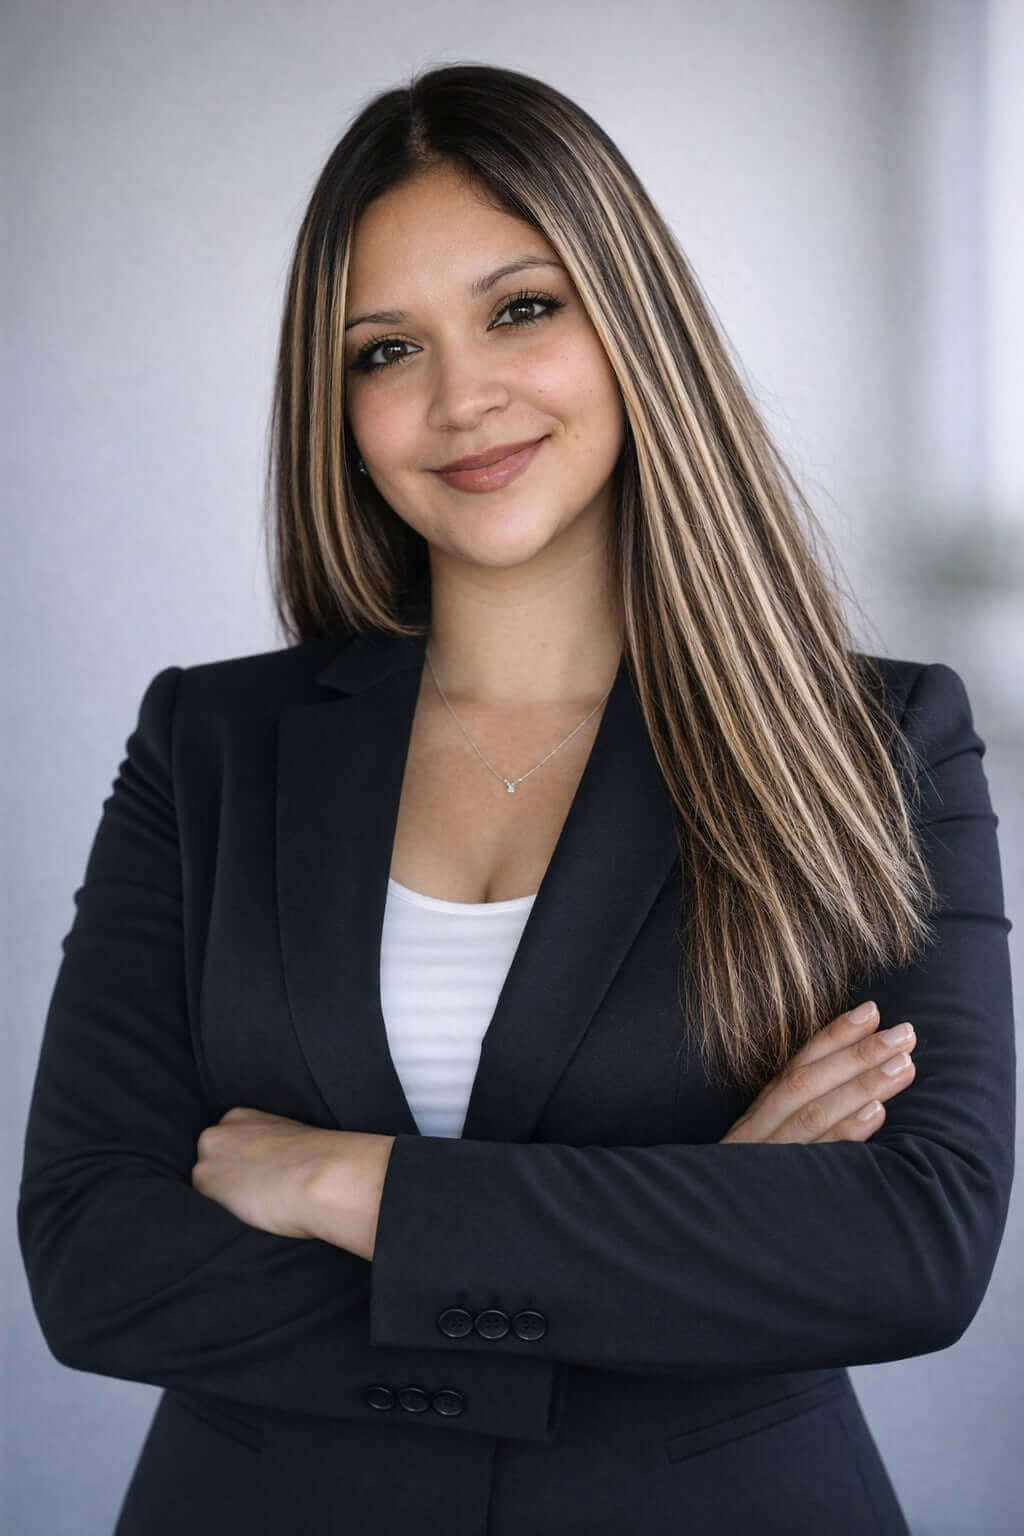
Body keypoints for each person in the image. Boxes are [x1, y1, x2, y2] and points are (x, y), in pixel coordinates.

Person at [18, 62, 1015, 1536]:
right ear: (334, 404)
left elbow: (912, 1245)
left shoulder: (874, 738)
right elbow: (96, 1256)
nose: (459, 397)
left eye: (521, 308)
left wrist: (354, 1187)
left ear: (631, 321)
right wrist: (683, 1232)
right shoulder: (212, 744)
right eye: (382, 350)